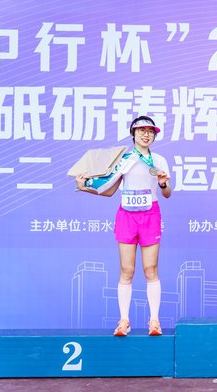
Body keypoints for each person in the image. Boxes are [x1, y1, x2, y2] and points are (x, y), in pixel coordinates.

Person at [75, 115, 171, 336]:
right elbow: (109, 190)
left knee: (150, 269)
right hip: (127, 216)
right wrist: (84, 187)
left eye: (150, 131)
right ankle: (124, 321)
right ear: (133, 134)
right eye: (141, 130)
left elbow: (167, 193)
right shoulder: (123, 160)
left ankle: (154, 320)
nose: (146, 135)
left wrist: (163, 184)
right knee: (127, 270)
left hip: (150, 215)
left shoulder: (159, 160)